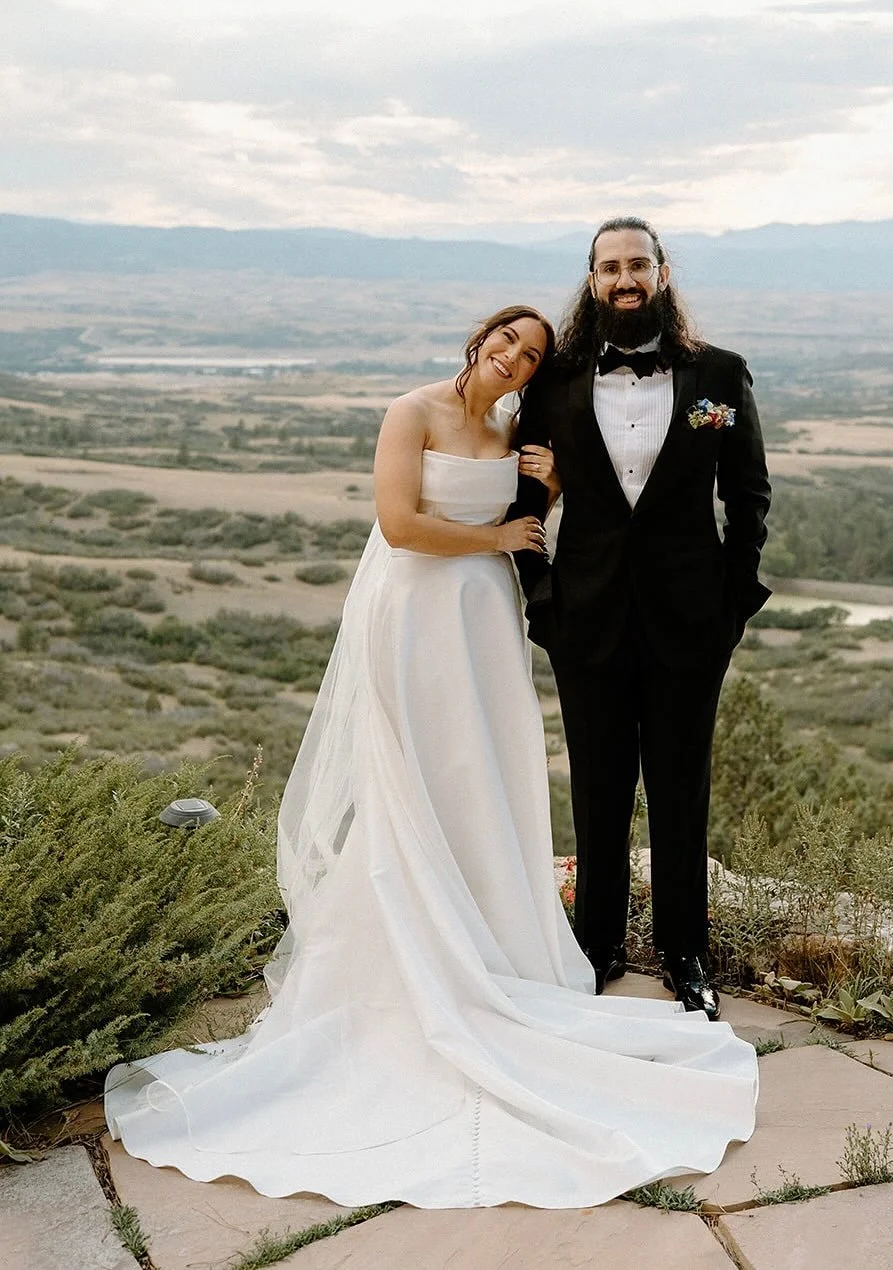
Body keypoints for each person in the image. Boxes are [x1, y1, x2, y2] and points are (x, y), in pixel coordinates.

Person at [104, 305, 757, 1210]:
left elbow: (533, 517)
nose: (514, 359)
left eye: (530, 355)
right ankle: (420, 955)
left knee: (477, 779)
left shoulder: (511, 427)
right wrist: (496, 537)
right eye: (505, 343)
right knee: (415, 782)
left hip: (483, 620)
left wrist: (551, 490)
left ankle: (495, 936)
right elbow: (401, 524)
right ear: (478, 339)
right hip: (415, 617)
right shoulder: (411, 411)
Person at [510, 219, 772, 1019]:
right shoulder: (551, 382)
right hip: (583, 620)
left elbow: (748, 496)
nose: (623, 279)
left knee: (678, 787)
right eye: (608, 267)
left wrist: (731, 600)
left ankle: (683, 951)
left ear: (661, 273)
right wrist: (541, 591)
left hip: (691, 621)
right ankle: (595, 948)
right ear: (591, 282)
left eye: (636, 265)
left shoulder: (717, 376)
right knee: (595, 786)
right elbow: (524, 498)